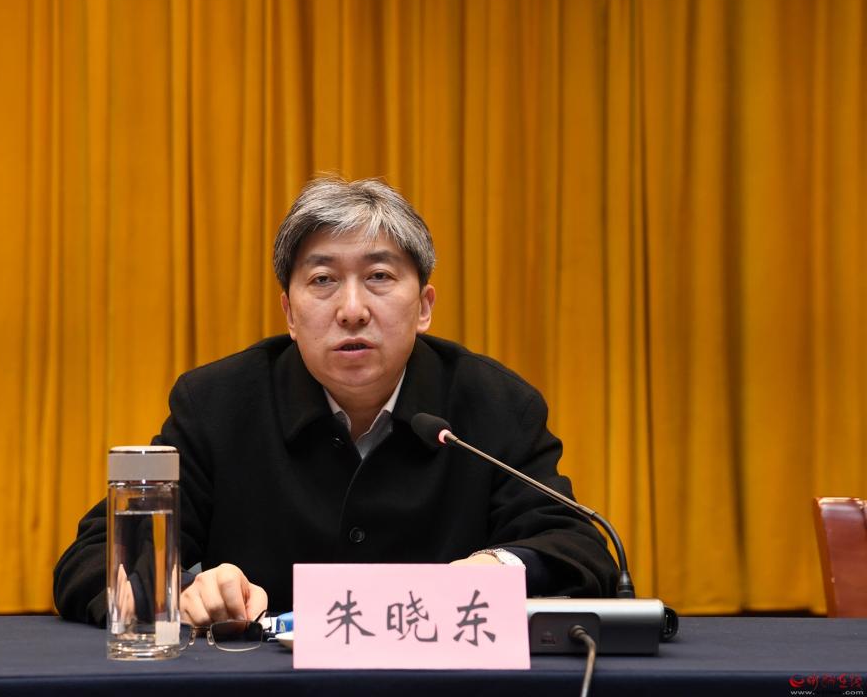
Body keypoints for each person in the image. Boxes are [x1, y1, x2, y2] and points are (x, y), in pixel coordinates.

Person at [53, 176, 618, 628]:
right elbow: (95, 557)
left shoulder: (495, 404)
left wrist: (497, 567)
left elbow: (576, 547)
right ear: (289, 313)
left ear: (424, 306)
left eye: (379, 276)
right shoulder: (217, 405)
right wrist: (181, 592)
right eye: (323, 280)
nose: (352, 310)